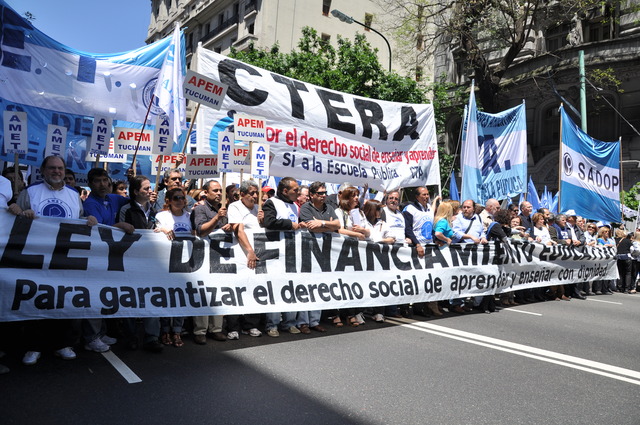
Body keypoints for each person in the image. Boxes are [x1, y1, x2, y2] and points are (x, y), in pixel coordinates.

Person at [8, 156, 98, 365]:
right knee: (36, 301)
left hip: (65, 257)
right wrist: (20, 212)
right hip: (36, 258)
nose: (56, 171)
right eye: (52, 168)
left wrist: (88, 220)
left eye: (60, 168)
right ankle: (34, 346)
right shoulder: (30, 192)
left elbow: (78, 220)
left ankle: (63, 344)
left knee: (63, 300)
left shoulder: (73, 195)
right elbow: (15, 221)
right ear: (42, 170)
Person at [81, 168, 133, 353]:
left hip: (108, 257)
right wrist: (119, 226)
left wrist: (134, 181)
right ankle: (91, 337)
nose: (102, 184)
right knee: (93, 296)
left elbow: (133, 199)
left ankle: (100, 332)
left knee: (103, 295)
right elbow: (100, 230)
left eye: (105, 180)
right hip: (94, 257)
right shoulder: (90, 204)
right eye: (97, 181)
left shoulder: (113, 198)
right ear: (90, 184)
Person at [118, 175, 164, 353]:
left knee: (153, 298)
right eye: (146, 188)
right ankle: (131, 336)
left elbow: (158, 228)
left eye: (150, 188)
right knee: (130, 299)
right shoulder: (126, 210)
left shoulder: (154, 210)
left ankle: (152, 337)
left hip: (152, 262)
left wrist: (163, 229)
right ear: (136, 191)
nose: (150, 191)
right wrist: (123, 226)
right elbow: (117, 233)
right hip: (131, 262)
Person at [262, 177, 307, 337]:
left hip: (291, 253)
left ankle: (290, 322)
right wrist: (289, 224)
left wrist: (299, 225)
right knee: (275, 289)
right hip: (276, 253)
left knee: (292, 289)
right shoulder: (272, 203)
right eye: (295, 190)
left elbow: (295, 224)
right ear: (285, 191)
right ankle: (272, 324)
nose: (298, 192)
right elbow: (269, 222)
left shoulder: (294, 205)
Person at [190, 180, 229, 344]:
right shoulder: (200, 209)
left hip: (219, 256)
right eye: (215, 190)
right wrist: (217, 218)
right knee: (204, 292)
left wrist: (228, 226)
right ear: (205, 193)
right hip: (203, 256)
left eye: (220, 190)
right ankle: (200, 330)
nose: (219, 193)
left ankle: (216, 329)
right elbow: (201, 230)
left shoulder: (223, 209)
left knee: (218, 292)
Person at [298, 181, 341, 330]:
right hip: (308, 250)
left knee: (319, 286)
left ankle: (315, 321)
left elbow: (338, 225)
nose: (323, 195)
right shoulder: (305, 208)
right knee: (306, 287)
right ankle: (303, 322)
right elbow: (312, 228)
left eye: (325, 193)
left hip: (324, 252)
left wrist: (321, 223)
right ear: (311, 195)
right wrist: (329, 226)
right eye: (320, 193)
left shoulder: (329, 207)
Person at [225, 180, 265, 339]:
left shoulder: (258, 209)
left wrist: (263, 220)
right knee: (236, 290)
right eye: (252, 193)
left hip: (257, 255)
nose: (255, 196)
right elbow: (239, 230)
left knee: (254, 288)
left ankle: (250, 325)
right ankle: (233, 326)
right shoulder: (235, 207)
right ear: (242, 194)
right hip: (241, 254)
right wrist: (249, 251)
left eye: (257, 193)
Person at [155, 187, 193, 348]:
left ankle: (177, 330)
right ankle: (164, 330)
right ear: (168, 201)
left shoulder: (190, 216)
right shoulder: (161, 216)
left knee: (181, 297)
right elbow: (153, 232)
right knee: (166, 297)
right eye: (176, 198)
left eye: (182, 198)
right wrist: (163, 229)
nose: (180, 201)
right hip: (166, 263)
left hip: (185, 262)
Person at [403, 187, 438, 258]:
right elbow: (408, 228)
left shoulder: (429, 207)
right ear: (417, 197)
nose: (427, 196)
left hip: (430, 246)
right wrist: (417, 244)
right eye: (424, 195)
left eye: (427, 194)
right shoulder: (410, 209)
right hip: (416, 246)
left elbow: (432, 226)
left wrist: (436, 240)